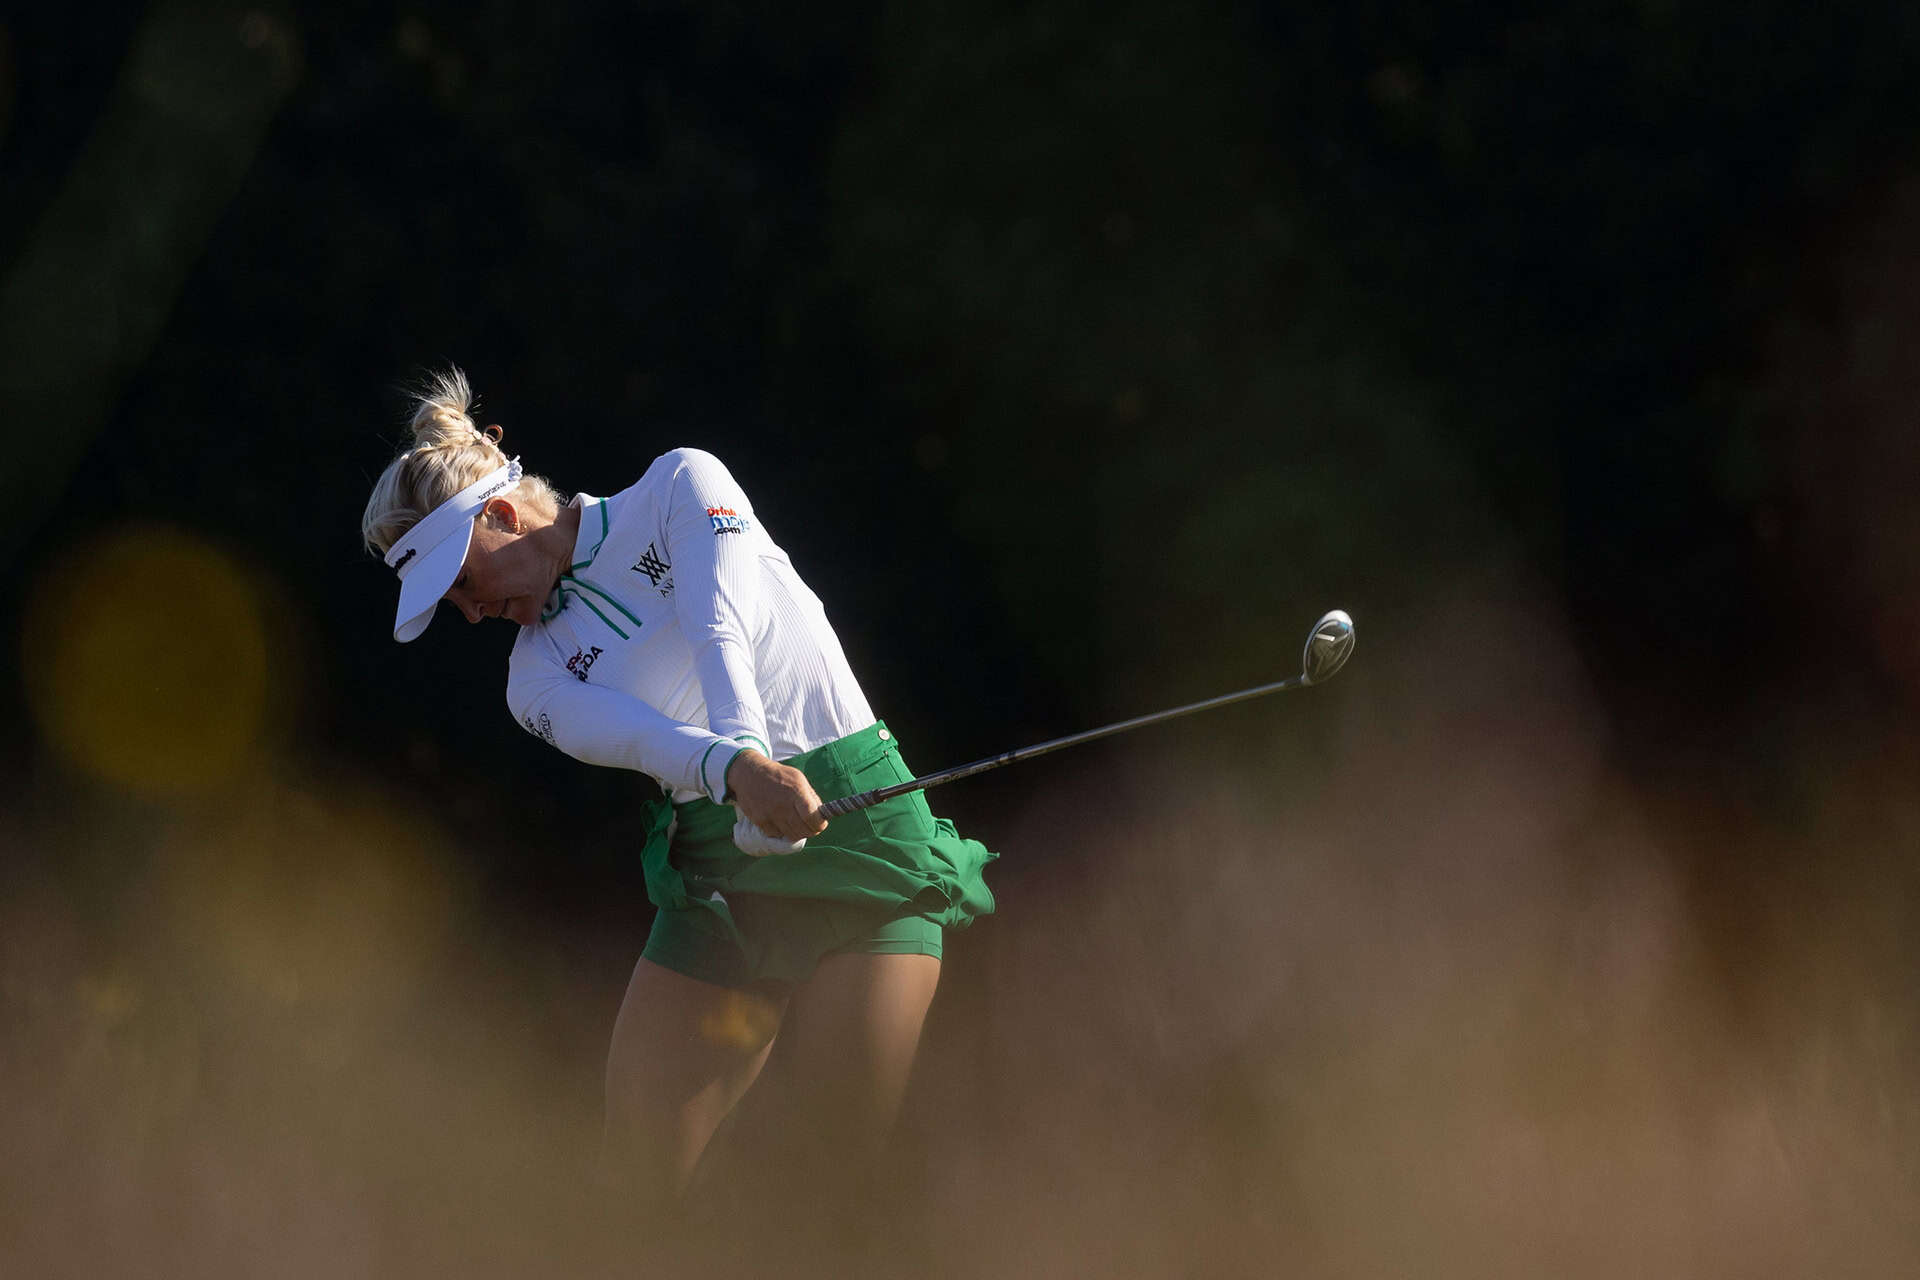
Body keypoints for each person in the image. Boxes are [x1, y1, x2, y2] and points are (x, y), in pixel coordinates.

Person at [359, 368, 996, 1233]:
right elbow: (645, 740)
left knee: (832, 1172)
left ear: (501, 515)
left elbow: (716, 625)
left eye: (463, 584)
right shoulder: (530, 680)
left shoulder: (679, 483)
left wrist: (751, 765)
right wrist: (739, 777)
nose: (470, 615)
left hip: (863, 833)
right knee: (636, 1189)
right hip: (719, 877)